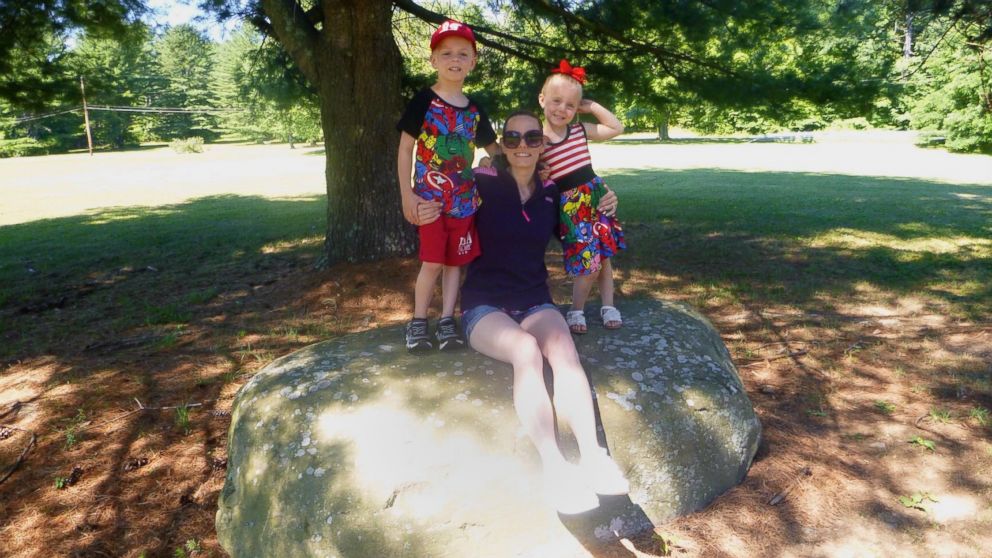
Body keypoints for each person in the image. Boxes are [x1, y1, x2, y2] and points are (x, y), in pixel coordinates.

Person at [456, 110, 628, 514]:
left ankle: (594, 458)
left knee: (563, 351)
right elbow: (446, 210)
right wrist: (422, 206)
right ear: (502, 143)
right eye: (512, 138)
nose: (522, 146)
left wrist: (604, 204)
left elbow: (582, 236)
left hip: (534, 299)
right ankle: (555, 467)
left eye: (532, 138)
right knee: (525, 352)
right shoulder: (482, 181)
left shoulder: (553, 192)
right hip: (485, 303)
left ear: (543, 144)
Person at [396, 19, 498, 352]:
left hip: (464, 203)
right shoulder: (424, 101)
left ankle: (446, 322)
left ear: (473, 61)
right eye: (447, 53)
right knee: (432, 262)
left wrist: (490, 162)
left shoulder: (474, 109)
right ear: (434, 60)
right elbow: (405, 148)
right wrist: (406, 195)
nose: (455, 59)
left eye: (463, 53)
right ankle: (418, 321)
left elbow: (493, 150)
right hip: (428, 202)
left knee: (456, 264)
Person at [539, 59, 627, 334]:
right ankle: (576, 309)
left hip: (596, 197)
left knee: (603, 255)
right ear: (542, 99)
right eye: (556, 101)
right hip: (569, 206)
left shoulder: (579, 131)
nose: (562, 109)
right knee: (586, 261)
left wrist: (592, 107)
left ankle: (608, 305)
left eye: (570, 105)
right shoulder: (537, 140)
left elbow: (616, 128)